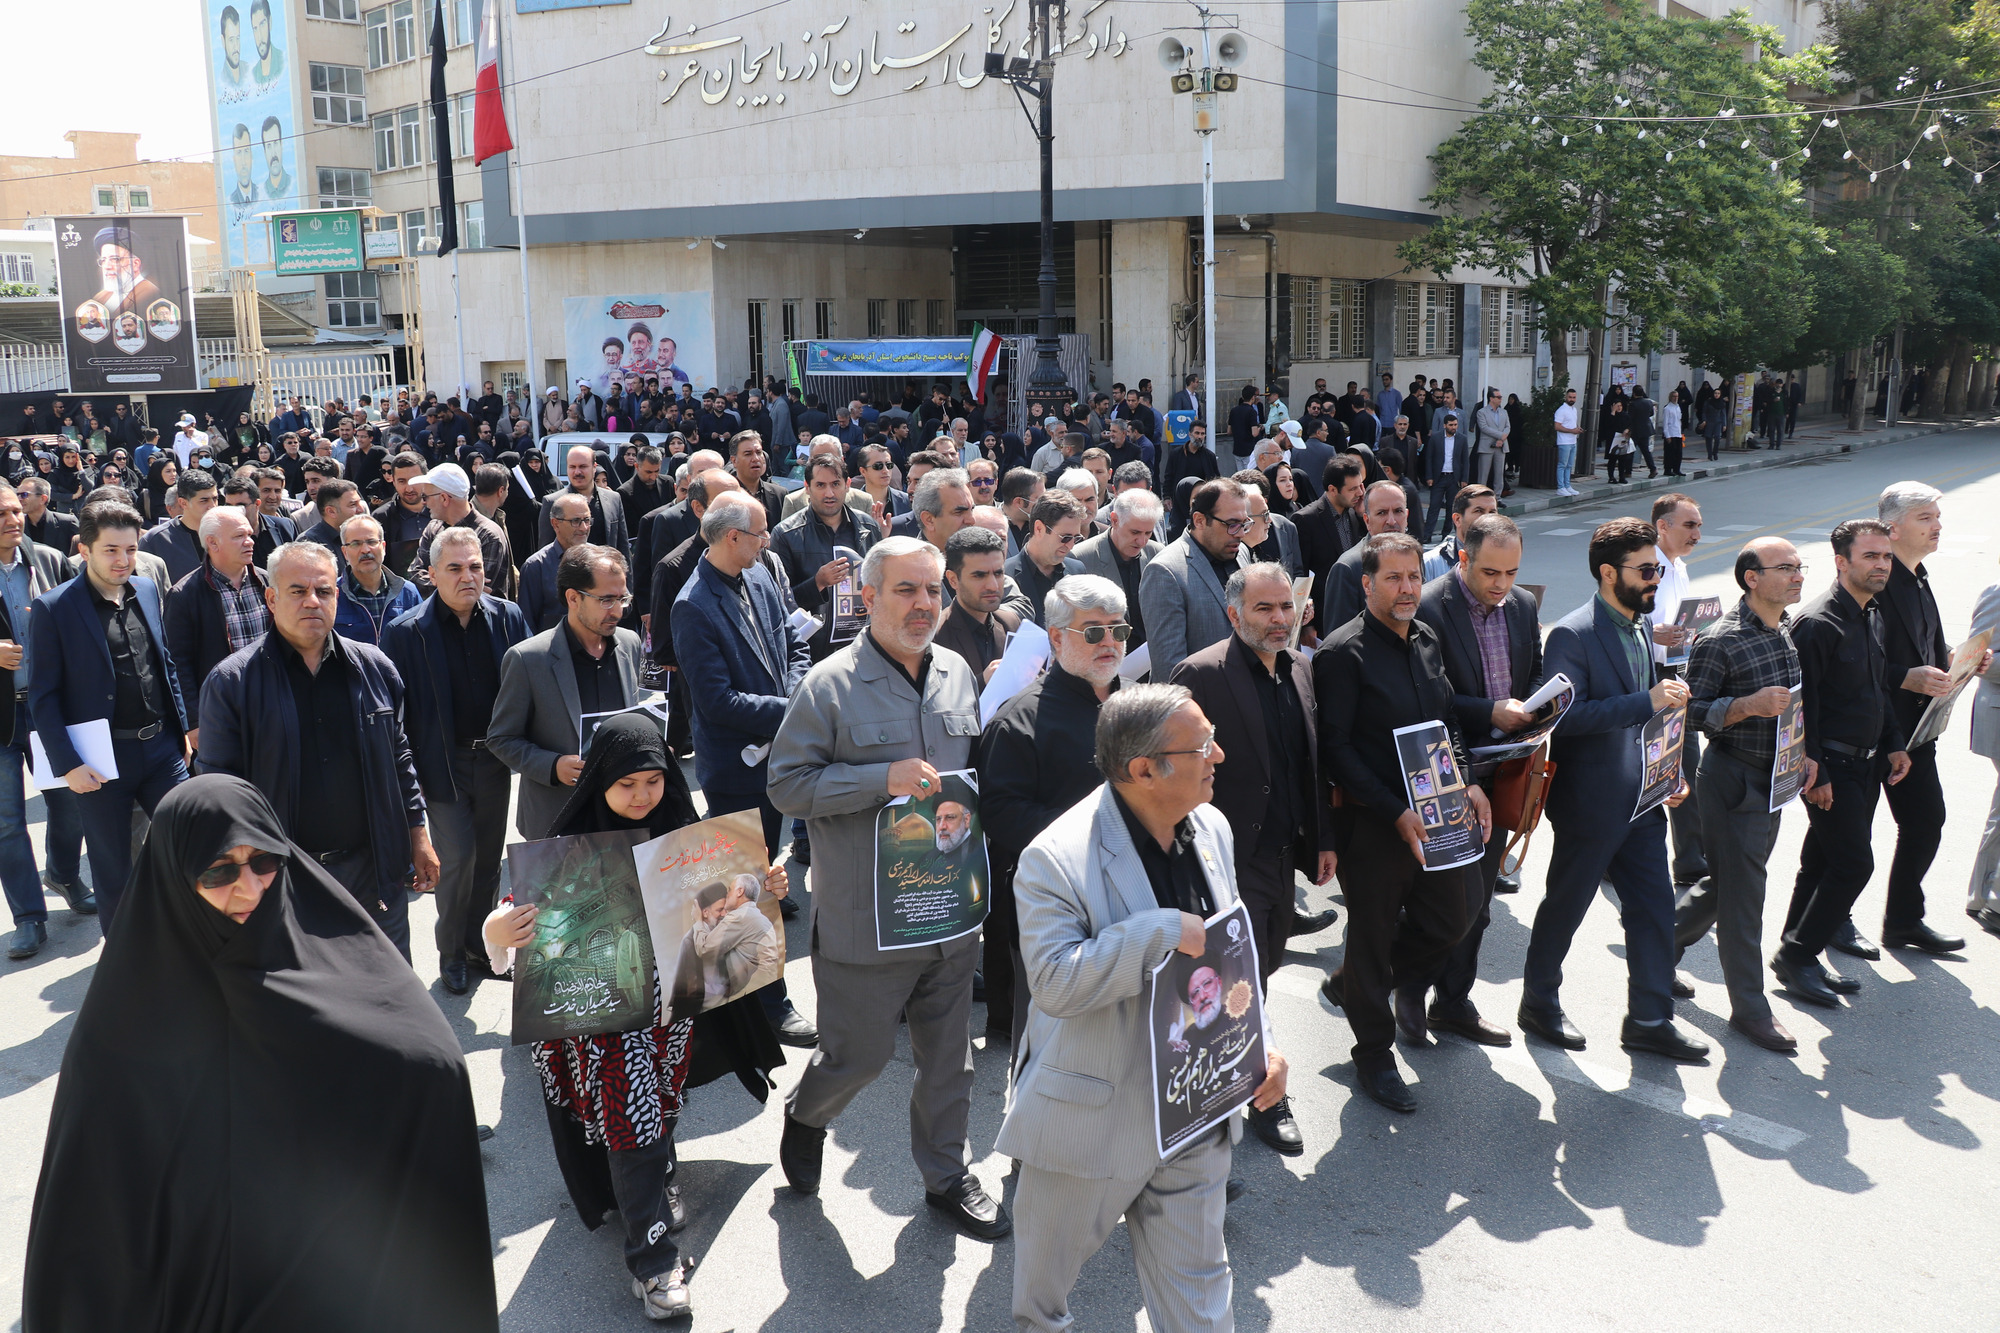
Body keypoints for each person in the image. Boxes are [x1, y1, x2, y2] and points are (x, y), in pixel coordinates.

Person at [23, 775, 498, 1331]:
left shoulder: (329, 953)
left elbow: (427, 1060)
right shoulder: (120, 1032)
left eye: (265, 861)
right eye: (218, 871)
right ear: (175, 876)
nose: (249, 889)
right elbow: (85, 1225)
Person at [1001, 684, 1289, 1333]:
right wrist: (1157, 931)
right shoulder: (1054, 858)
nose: (1219, 754)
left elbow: (1231, 956)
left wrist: (1260, 1045)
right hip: (1088, 1125)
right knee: (1043, 1310)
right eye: (1201, 745)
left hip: (1194, 1113)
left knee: (1201, 1308)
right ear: (1143, 769)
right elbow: (1054, 982)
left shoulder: (1212, 827)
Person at [481, 715, 787, 1321]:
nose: (642, 795)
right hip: (603, 1022)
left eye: (653, 779)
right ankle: (654, 1263)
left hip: (672, 1014)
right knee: (633, 1122)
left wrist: (766, 886)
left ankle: (656, 1176)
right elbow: (513, 916)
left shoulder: (686, 839)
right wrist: (498, 929)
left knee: (661, 1107)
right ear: (599, 782)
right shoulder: (569, 848)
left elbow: (728, 907)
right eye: (626, 784)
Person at [766, 537, 1009, 1241]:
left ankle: (946, 1175)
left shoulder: (957, 672)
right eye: (906, 590)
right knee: (858, 1057)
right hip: (867, 919)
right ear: (868, 597)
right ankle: (808, 1114)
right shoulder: (829, 685)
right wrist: (881, 780)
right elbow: (786, 784)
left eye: (933, 590)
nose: (924, 604)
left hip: (949, 910)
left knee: (950, 1058)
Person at [1313, 534, 1489, 1111]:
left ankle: (1354, 984)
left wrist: (1468, 781)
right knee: (1371, 935)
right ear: (1367, 584)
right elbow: (1336, 749)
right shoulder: (1342, 653)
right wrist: (1394, 810)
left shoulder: (1428, 639)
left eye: (1414, 576)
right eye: (1393, 578)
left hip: (1438, 812)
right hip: (1375, 824)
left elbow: (1447, 723)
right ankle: (1374, 1056)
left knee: (1454, 917)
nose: (1408, 588)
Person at [196, 542, 437, 961]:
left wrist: (419, 835)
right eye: (297, 591)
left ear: (336, 597)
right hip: (286, 880)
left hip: (374, 874)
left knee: (389, 988)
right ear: (271, 599)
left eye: (323, 591)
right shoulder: (232, 684)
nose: (312, 601)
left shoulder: (375, 668)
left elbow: (399, 758)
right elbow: (220, 798)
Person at [1522, 519, 1708, 1061]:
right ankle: (1538, 1001)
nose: (1656, 580)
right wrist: (1647, 701)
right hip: (1591, 803)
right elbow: (1564, 717)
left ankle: (1649, 1019)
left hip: (1642, 801)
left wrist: (1667, 773)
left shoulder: (1640, 625)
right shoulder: (1572, 634)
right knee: (1568, 904)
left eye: (1659, 570)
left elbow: (1649, 719)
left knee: (1653, 908)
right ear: (1609, 573)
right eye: (1646, 571)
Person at [1169, 561, 1333, 1149]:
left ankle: (1233, 1080)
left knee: (1262, 969)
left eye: (1286, 606)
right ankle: (1261, 1096)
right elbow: (1174, 768)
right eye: (1264, 609)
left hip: (1283, 855)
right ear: (1234, 615)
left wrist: (1323, 839)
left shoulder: (1300, 668)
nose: (1279, 619)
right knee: (1242, 982)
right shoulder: (1201, 673)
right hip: (1227, 859)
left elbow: (1309, 762)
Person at [671, 491, 818, 1046]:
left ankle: (743, 997)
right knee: (747, 885)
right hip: (736, 768)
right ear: (732, 537)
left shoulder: (759, 575)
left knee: (763, 877)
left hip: (778, 755)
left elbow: (792, 642)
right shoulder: (692, 604)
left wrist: (797, 691)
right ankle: (768, 1007)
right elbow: (716, 702)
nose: (768, 540)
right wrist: (794, 710)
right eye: (760, 532)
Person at [1406, 514, 1542, 1045]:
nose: (1502, 584)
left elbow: (1532, 670)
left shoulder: (1523, 605)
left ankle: (1453, 1001)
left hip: (1503, 775)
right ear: (1463, 557)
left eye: (1512, 573)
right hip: (1444, 776)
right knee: (1439, 902)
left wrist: (1538, 706)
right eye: (1490, 572)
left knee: (1479, 903)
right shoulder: (1428, 607)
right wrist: (1490, 711)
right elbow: (1427, 697)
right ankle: (1402, 990)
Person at [28, 501, 191, 931]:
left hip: (162, 750)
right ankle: (126, 960)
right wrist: (68, 765)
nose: (123, 560)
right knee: (113, 869)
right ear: (84, 550)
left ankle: (191, 943)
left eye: (131, 549)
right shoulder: (54, 608)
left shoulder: (147, 590)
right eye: (111, 550)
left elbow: (165, 664)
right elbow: (43, 697)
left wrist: (182, 732)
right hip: (100, 761)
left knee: (192, 841)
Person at [380, 527, 529, 994]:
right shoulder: (406, 632)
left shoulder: (507, 617)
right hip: (442, 764)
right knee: (458, 859)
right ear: (431, 574)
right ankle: (451, 954)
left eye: (476, 567)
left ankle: (481, 944)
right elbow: (395, 713)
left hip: (496, 761)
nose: (468, 577)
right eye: (456, 568)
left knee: (488, 861)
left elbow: (531, 683)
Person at [1679, 538, 1811, 1054]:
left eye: (1799, 567)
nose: (1798, 576)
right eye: (1786, 568)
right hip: (1734, 779)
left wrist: (1804, 756)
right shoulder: (1720, 639)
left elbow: (1794, 707)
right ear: (1752, 578)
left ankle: (1656, 949)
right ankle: (1751, 1011)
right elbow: (1689, 713)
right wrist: (1745, 706)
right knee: (1744, 899)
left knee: (1729, 884)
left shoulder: (1785, 630)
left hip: (1775, 778)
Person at [1776, 520, 1913, 1003]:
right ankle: (1797, 956)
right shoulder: (1817, 624)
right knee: (1854, 865)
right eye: (1871, 556)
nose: (1882, 565)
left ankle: (1797, 950)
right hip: (1832, 767)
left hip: (1868, 763)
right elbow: (1802, 706)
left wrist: (1895, 742)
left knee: (1821, 862)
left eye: (1887, 556)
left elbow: (1877, 688)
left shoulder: (1872, 613)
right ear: (1841, 562)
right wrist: (1815, 771)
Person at [1865, 480, 1986, 955]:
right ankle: (1827, 925)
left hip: (1916, 731)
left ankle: (1903, 921)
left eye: (1937, 517)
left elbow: (1924, 643)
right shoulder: (1875, 579)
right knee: (1845, 842)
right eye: (1926, 518)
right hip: (1872, 728)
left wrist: (1958, 660)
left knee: (1926, 821)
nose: (1937, 526)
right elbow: (1852, 657)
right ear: (1892, 529)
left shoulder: (1918, 575)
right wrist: (1905, 677)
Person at [490, 543, 645, 841]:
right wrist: (553, 766)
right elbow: (502, 738)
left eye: (622, 599)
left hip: (622, 817)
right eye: (606, 600)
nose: (618, 611)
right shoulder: (528, 658)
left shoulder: (629, 643)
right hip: (558, 820)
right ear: (573, 598)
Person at [0, 483, 89, 958]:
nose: (13, 520)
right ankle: (29, 917)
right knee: (8, 822)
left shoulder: (51, 561)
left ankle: (64, 875)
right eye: (1, 514)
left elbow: (83, 618)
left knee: (70, 802)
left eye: (15, 510)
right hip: (2, 718)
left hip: (47, 708)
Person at [771, 453, 884, 662]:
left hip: (862, 648)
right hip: (811, 653)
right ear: (807, 487)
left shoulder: (868, 527)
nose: (829, 493)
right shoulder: (786, 534)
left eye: (835, 484)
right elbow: (777, 603)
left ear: (847, 485)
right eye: (821, 485)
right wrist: (817, 583)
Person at [1139, 477, 1249, 679]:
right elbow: (1170, 670)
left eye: (1244, 524)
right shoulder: (1165, 571)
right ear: (1199, 520)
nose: (1241, 533)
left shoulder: (1241, 552)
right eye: (1232, 524)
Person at [413, 462, 518, 601]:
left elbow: (474, 596)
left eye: (425, 497)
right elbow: (414, 574)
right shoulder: (434, 528)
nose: (424, 502)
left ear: (444, 498)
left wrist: (438, 580)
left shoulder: (489, 535)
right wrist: (453, 586)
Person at [1320, 481, 1412, 635]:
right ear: (1367, 520)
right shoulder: (1348, 568)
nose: (1391, 521)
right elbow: (1338, 640)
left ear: (1407, 516)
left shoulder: (1413, 559)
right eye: (1382, 513)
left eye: (1398, 511)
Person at [933, 525, 1019, 682]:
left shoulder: (1011, 623)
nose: (993, 585)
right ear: (953, 580)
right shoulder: (935, 636)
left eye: (998, 573)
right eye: (979, 576)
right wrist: (982, 682)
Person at [331, 515, 421, 646]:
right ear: (344, 552)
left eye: (371, 542)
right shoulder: (332, 595)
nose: (365, 550)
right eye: (356, 544)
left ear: (383, 547)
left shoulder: (408, 592)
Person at [1005, 489, 1087, 625]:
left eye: (1076, 538)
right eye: (1066, 537)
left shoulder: (1077, 570)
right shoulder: (1006, 575)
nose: (1071, 545)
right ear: (1039, 529)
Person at [537, 444, 633, 557]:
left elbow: (623, 548)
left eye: (583, 466)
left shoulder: (613, 499)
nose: (577, 472)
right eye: (572, 467)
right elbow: (547, 554)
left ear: (594, 467)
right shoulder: (552, 502)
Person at [520, 491, 595, 634]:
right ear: (555, 524)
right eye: (575, 521)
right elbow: (527, 624)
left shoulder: (600, 561)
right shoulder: (536, 567)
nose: (584, 528)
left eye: (587, 520)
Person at [140, 469, 218, 586]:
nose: (212, 506)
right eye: (204, 501)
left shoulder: (226, 533)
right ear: (183, 503)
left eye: (215, 499)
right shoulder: (155, 541)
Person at [1472, 388, 1511, 494]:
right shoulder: (1482, 412)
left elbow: (1507, 427)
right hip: (1487, 446)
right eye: (1498, 397)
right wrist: (1501, 435)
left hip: (1501, 446)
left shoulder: (1504, 412)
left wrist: (1501, 439)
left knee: (1499, 473)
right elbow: (1484, 428)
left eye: (1501, 397)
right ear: (1491, 398)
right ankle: (1481, 495)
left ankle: (1497, 496)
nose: (1500, 399)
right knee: (1483, 473)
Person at [1551, 387, 1581, 496]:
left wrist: (1577, 429)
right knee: (1562, 465)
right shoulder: (1561, 410)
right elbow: (1557, 426)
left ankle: (1567, 485)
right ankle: (1560, 487)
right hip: (1564, 441)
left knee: (1569, 465)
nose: (1572, 399)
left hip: (1573, 441)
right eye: (1570, 397)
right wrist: (1572, 431)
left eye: (1574, 397)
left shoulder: (1574, 409)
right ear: (1566, 397)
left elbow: (1572, 424)